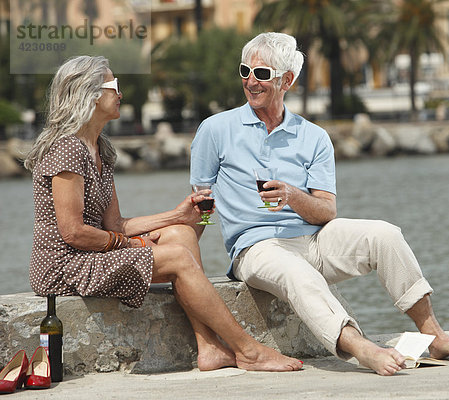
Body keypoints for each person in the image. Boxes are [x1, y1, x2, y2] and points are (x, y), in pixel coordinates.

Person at [190, 32, 449, 376]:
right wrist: (192, 265)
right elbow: (201, 205)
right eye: (244, 71)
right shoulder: (215, 130)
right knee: (297, 272)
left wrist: (292, 196)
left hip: (314, 239)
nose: (250, 81)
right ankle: (362, 348)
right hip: (255, 247)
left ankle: (433, 333)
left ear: (287, 81)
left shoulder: (313, 136)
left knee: (384, 234)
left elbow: (327, 212)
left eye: (262, 74)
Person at [23, 55, 302, 373]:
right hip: (64, 265)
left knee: (181, 234)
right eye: (114, 86)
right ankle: (249, 350)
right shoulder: (67, 149)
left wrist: (177, 215)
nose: (121, 93)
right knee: (179, 259)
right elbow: (73, 232)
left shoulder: (101, 149)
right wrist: (134, 246)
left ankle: (208, 347)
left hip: (91, 253)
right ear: (89, 94)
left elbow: (117, 224)